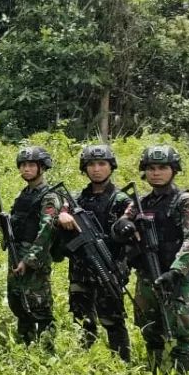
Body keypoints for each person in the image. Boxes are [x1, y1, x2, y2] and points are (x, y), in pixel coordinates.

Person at [112, 145, 189, 375]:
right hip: (146, 275)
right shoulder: (141, 203)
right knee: (150, 330)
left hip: (175, 278)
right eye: (151, 168)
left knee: (179, 332)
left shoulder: (187, 202)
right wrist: (123, 226)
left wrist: (175, 272)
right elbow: (119, 227)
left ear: (174, 170)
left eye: (162, 168)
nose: (156, 173)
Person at [56, 144, 131, 360]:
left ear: (111, 167)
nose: (96, 169)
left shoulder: (122, 200)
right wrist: (62, 215)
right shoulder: (77, 199)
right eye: (91, 165)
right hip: (80, 269)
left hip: (109, 267)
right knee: (82, 318)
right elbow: (58, 213)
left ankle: (122, 364)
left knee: (113, 320)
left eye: (102, 164)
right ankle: (84, 361)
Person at [6, 146, 62, 349]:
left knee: (40, 305)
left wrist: (28, 260)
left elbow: (46, 232)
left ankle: (48, 351)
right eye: (23, 165)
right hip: (16, 252)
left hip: (35, 258)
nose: (26, 169)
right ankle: (27, 345)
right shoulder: (24, 194)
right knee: (19, 302)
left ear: (42, 168)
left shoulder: (49, 196)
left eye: (31, 165)